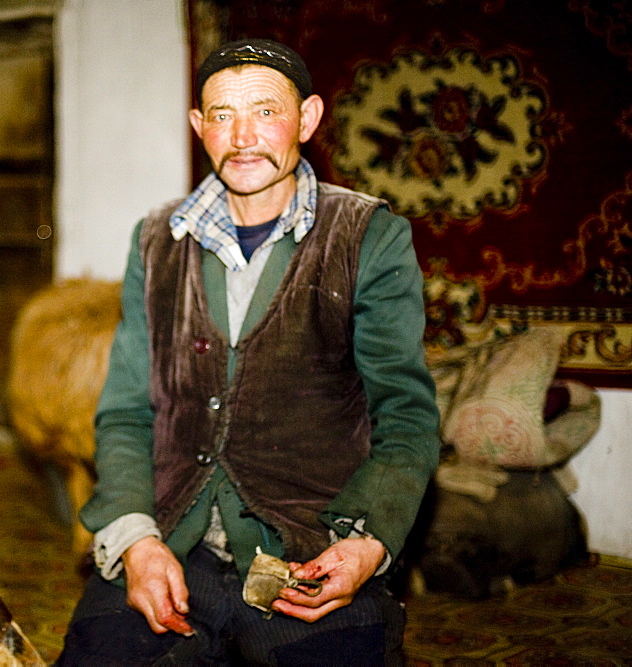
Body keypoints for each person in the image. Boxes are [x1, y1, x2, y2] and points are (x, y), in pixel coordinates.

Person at [57, 38, 440, 665]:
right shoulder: (156, 241)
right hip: (174, 545)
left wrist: (365, 545)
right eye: (222, 114)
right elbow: (126, 413)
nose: (243, 136)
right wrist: (136, 543)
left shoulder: (368, 235)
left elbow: (406, 416)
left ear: (308, 119)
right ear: (197, 126)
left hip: (308, 550)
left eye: (266, 111)